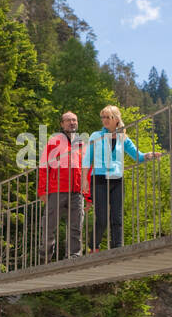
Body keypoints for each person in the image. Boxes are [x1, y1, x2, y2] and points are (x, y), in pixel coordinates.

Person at [82, 105, 161, 251]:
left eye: (108, 117)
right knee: (102, 219)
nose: (104, 120)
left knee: (117, 218)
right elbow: (87, 159)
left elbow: (138, 156)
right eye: (103, 117)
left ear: (116, 119)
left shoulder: (123, 138)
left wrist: (149, 155)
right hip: (99, 179)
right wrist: (84, 180)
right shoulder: (95, 136)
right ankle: (94, 244)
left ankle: (117, 247)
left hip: (117, 179)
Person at [37, 111, 90, 260]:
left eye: (74, 120)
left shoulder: (81, 144)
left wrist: (88, 195)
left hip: (76, 191)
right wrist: (42, 190)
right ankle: (45, 254)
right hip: (56, 190)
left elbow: (87, 169)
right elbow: (43, 166)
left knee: (76, 226)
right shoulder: (54, 141)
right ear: (62, 124)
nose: (72, 122)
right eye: (68, 120)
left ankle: (74, 255)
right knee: (49, 225)